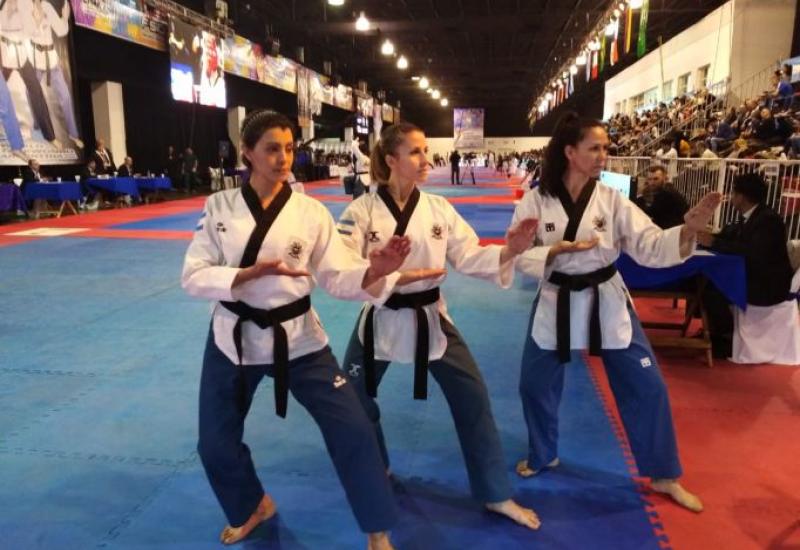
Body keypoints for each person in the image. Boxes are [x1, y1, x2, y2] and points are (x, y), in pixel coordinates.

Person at [182, 110, 435, 549]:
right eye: (272, 149)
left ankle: (377, 529)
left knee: (353, 427)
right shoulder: (218, 207)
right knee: (215, 445)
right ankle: (252, 506)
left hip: (298, 338)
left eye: (289, 148)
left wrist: (374, 270)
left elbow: (337, 275)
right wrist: (242, 276)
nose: (284, 158)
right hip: (233, 337)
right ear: (247, 152)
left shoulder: (310, 212)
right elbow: (193, 275)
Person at [511, 112, 721, 513]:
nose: (603, 155)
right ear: (570, 152)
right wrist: (551, 253)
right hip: (556, 298)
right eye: (595, 148)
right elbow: (517, 256)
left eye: (605, 148)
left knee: (648, 386)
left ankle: (663, 473)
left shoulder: (611, 200)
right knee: (533, 385)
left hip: (605, 298)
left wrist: (688, 230)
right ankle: (543, 453)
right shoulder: (536, 201)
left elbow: (651, 245)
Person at [336, 122, 542, 530]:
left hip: (430, 316)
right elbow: (341, 268)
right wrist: (380, 272)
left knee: (473, 397)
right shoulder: (360, 212)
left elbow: (469, 255)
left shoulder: (438, 209)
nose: (425, 159)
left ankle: (495, 493)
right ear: (391, 159)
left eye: (426, 151)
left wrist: (509, 251)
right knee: (353, 400)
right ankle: (376, 467)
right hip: (380, 316)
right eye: (415, 152)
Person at [698, 172, 794, 358]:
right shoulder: (746, 217)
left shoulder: (768, 220)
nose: (731, 197)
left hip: (767, 285)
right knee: (704, 279)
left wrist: (714, 242)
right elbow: (729, 238)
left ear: (741, 196)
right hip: (751, 275)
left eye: (733, 193)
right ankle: (713, 332)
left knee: (712, 288)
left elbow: (752, 252)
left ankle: (725, 338)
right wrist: (708, 237)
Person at [29, 0, 83, 149]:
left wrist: (64, 18)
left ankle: (73, 133)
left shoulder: (46, 6)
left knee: (65, 96)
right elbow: (27, 32)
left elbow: (60, 30)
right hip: (34, 58)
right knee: (32, 93)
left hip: (51, 59)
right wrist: (37, 21)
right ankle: (37, 124)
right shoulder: (24, 7)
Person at [634, 165, 689, 229]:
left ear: (665, 178)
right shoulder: (668, 189)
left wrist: (639, 195)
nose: (652, 183)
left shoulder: (665, 193)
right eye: (649, 179)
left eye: (656, 179)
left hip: (671, 230)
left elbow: (648, 213)